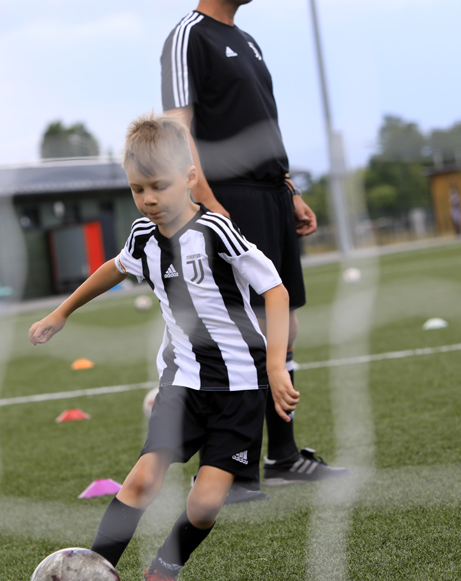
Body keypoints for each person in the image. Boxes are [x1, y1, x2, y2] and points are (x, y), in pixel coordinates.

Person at [29, 114, 298, 581]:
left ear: (190, 177)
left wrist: (277, 367)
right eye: (138, 189)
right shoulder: (142, 237)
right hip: (182, 382)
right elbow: (115, 268)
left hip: (240, 387)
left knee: (205, 504)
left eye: (159, 186)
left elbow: (275, 289)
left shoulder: (216, 230)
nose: (149, 199)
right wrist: (62, 311)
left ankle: (163, 571)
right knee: (141, 480)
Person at [161, 0, 344, 497]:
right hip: (228, 196)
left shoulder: (246, 40)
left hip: (271, 197)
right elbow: (176, 127)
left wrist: (289, 189)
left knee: (283, 326)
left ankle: (282, 455)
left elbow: (262, 126)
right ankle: (228, 471)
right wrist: (206, 201)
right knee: (240, 332)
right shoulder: (189, 36)